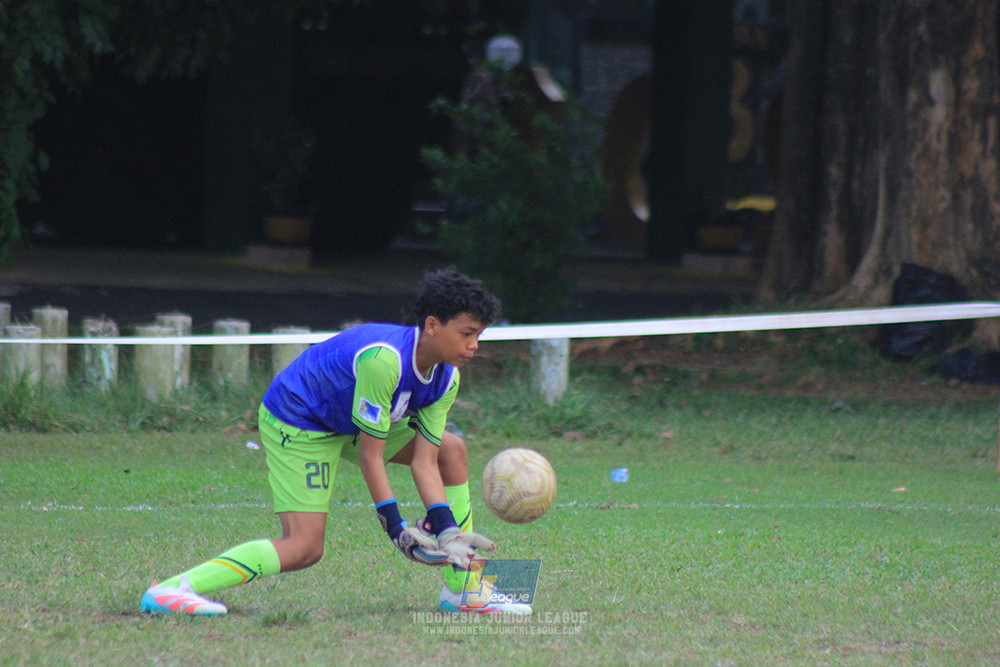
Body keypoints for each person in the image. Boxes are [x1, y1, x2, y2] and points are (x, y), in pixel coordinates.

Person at [141, 268, 525, 616]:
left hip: (348, 424)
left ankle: (463, 591)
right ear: (432, 326)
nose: (475, 344)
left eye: (479, 335)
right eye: (467, 333)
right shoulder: (385, 361)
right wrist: (396, 529)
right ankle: (173, 589)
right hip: (299, 418)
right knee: (305, 549)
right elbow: (370, 458)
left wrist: (447, 530)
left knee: (451, 451)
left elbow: (426, 461)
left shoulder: (447, 378)